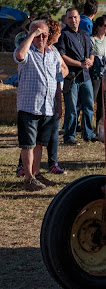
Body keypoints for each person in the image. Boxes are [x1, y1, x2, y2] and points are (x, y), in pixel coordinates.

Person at [14, 20, 63, 191]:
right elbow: (19, 55)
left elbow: (58, 81)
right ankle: (28, 178)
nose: (40, 38)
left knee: (40, 143)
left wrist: (59, 104)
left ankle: (36, 173)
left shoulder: (52, 54)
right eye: (37, 34)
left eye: (43, 34)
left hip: (47, 107)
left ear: (48, 35)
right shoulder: (27, 52)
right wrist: (31, 35)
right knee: (27, 144)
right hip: (29, 106)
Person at [56, 7, 96, 145]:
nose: (73, 20)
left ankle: (89, 134)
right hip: (71, 77)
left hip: (85, 76)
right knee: (72, 108)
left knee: (89, 105)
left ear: (80, 18)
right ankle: (69, 136)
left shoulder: (85, 34)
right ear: (66, 20)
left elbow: (91, 51)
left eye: (75, 17)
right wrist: (79, 64)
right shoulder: (63, 35)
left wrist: (90, 60)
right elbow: (61, 56)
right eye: (70, 18)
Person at [90, 15, 106, 127]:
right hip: (94, 76)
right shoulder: (92, 40)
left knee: (102, 103)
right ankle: (87, 127)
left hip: (105, 76)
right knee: (91, 102)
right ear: (99, 27)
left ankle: (99, 127)